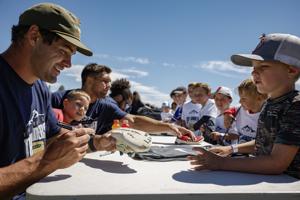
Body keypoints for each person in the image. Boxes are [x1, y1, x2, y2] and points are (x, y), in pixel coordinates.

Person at [0, 3, 115, 199]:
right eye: (64, 51)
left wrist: (95, 142)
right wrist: (45, 162)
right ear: (34, 36)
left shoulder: (40, 88)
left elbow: (53, 134)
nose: (69, 64)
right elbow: (48, 157)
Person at [189, 33, 300, 179]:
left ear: (291, 71)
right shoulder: (270, 103)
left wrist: (221, 163)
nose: (254, 72)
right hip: (268, 181)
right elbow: (264, 141)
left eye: (264, 66)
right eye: (254, 67)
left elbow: (276, 163)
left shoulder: (295, 106)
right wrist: (230, 148)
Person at [51, 63, 196, 139]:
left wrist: (169, 127)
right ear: (89, 80)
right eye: (105, 81)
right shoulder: (58, 99)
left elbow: (134, 121)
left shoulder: (106, 105)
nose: (109, 86)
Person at [211, 79, 267, 145]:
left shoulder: (268, 114)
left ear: (259, 98)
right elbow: (232, 109)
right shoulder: (240, 109)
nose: (240, 101)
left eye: (243, 98)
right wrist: (227, 114)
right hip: (240, 152)